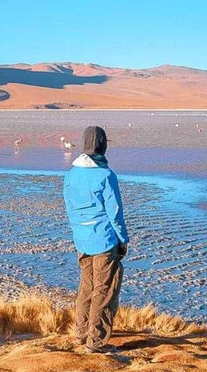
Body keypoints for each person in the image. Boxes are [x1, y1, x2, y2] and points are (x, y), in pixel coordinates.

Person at [63, 126, 129, 353]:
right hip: (104, 241)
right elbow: (115, 213)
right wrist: (123, 240)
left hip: (82, 240)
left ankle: (82, 332)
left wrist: (78, 233)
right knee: (104, 290)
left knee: (87, 287)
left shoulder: (71, 174)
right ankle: (96, 342)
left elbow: (70, 208)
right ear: (102, 145)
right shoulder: (106, 175)